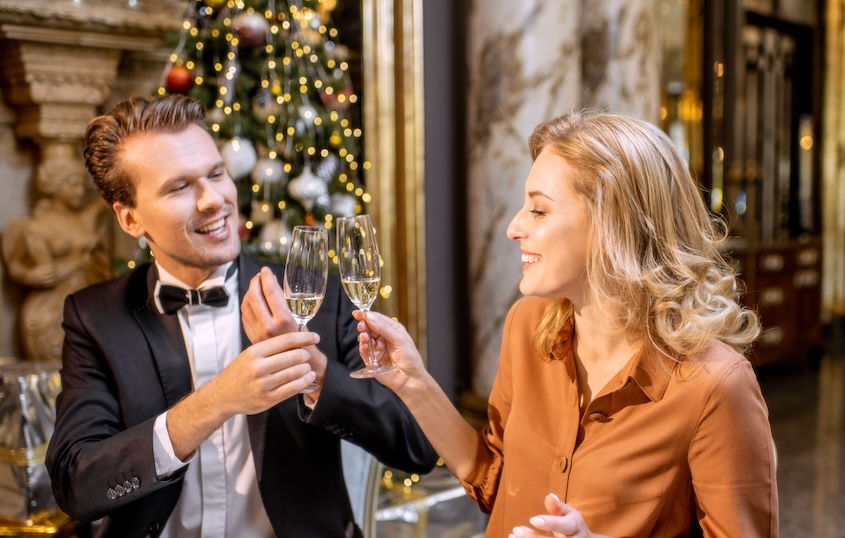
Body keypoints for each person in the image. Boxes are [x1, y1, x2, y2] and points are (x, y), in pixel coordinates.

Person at [353, 110, 778, 537]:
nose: (513, 227)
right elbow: (496, 482)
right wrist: (412, 383)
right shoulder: (527, 326)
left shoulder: (716, 386)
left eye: (538, 210)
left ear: (613, 225)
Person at [45, 94, 437, 538]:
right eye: (179, 187)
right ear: (130, 218)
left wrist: (313, 373)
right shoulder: (95, 316)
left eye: (216, 174)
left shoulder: (315, 297)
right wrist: (216, 401)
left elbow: (419, 447)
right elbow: (75, 485)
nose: (214, 200)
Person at [1, 159, 109, 362]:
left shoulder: (83, 220)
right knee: (59, 369)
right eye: (73, 185)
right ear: (55, 186)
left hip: (90, 300)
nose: (80, 191)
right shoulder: (38, 228)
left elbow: (105, 198)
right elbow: (15, 263)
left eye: (81, 185)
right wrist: (29, 274)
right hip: (52, 308)